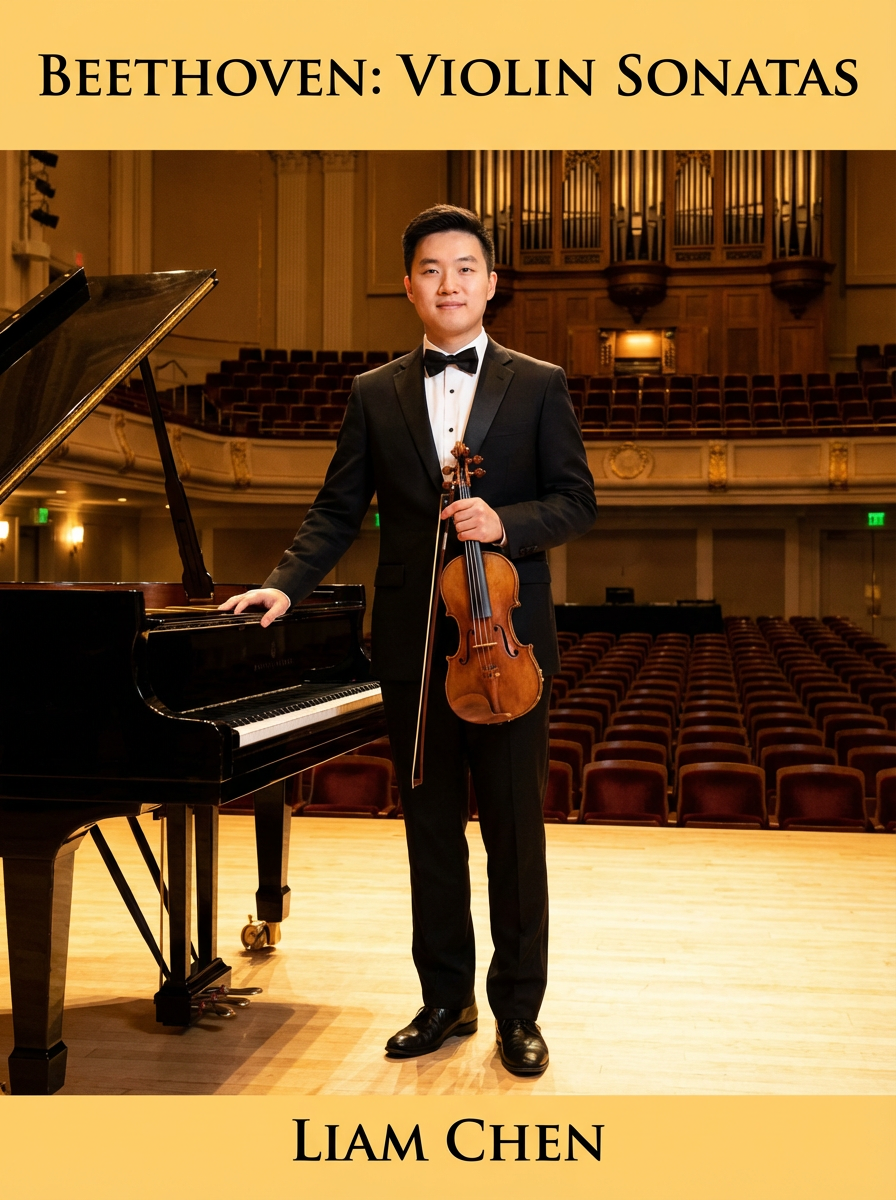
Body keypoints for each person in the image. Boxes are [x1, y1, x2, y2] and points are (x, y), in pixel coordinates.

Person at [219, 204, 597, 1075]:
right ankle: (444, 999)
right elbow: (336, 509)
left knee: (514, 838)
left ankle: (518, 1012)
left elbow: (577, 501)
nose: (449, 283)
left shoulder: (540, 384)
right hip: (414, 644)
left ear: (491, 283)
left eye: (465, 268)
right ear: (409, 286)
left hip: (507, 648)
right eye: (432, 269)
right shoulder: (373, 392)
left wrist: (506, 522)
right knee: (429, 832)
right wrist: (284, 583)